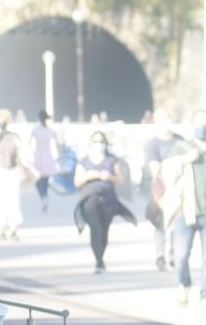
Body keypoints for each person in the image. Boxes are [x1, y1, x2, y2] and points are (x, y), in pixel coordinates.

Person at [161, 110, 206, 307]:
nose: (202, 126)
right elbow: (166, 174)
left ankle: (205, 295)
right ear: (192, 124)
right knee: (181, 255)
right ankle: (183, 284)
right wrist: (185, 159)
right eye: (199, 122)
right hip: (185, 211)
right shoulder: (181, 148)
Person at [73, 130, 136, 273]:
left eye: (101, 141)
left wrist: (109, 177)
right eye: (95, 141)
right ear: (90, 143)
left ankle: (101, 255)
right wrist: (89, 175)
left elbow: (120, 179)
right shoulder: (84, 161)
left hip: (108, 198)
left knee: (104, 230)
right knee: (95, 228)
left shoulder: (111, 160)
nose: (98, 144)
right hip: (90, 198)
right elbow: (77, 182)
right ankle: (98, 261)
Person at [143, 109, 183, 272]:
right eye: (162, 119)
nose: (166, 122)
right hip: (160, 187)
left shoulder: (179, 140)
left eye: (167, 118)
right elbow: (155, 168)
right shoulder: (152, 144)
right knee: (160, 222)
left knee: (176, 222)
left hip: (178, 187)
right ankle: (160, 255)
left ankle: (174, 255)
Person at [0, 109, 25, 240]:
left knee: (13, 200)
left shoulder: (13, 136)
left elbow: (21, 153)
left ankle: (13, 228)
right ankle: (1, 229)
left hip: (11, 171)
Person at [29, 110, 59, 213]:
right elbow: (57, 142)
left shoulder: (35, 129)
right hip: (47, 156)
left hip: (38, 156)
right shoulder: (50, 130)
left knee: (37, 180)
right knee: (45, 180)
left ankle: (43, 196)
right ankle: (45, 196)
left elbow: (30, 143)